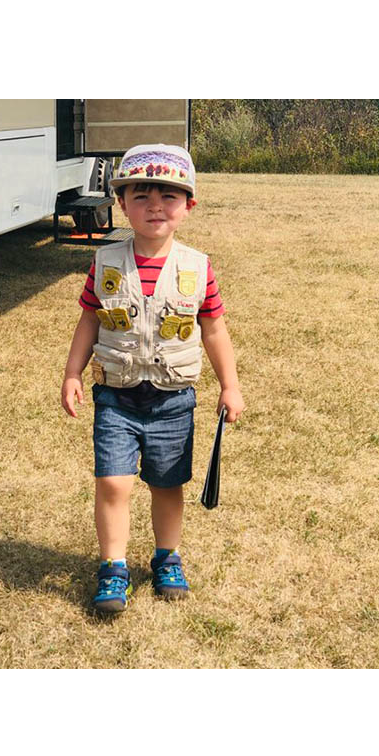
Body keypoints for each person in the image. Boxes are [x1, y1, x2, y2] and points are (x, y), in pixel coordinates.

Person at [60, 144, 245, 614]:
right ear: (121, 204)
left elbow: (214, 329)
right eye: (141, 196)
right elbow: (88, 319)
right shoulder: (105, 263)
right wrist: (72, 372)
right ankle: (113, 567)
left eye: (169, 196)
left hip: (173, 400)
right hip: (116, 398)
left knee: (167, 484)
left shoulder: (198, 267)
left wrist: (230, 384)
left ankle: (167, 557)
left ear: (188, 206)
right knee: (113, 484)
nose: (155, 205)